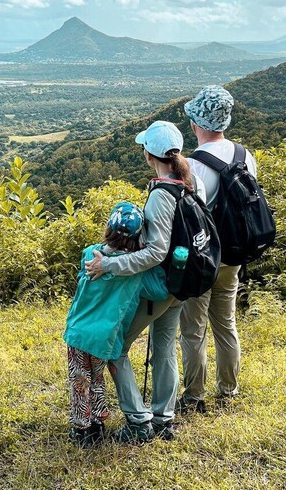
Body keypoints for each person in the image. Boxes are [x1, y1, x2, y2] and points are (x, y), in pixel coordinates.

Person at [85, 120, 205, 444]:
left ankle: (139, 424)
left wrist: (109, 264)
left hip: (161, 287)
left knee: (116, 349)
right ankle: (164, 419)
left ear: (149, 154)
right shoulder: (189, 183)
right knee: (165, 347)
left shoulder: (161, 196)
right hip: (181, 284)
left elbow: (155, 253)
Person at [177, 85, 258, 413]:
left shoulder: (193, 166)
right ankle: (229, 389)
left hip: (204, 259)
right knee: (226, 323)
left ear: (197, 124)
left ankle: (194, 395)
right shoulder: (245, 155)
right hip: (235, 254)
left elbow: (188, 217)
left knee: (193, 329)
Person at [64, 201, 169, 448]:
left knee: (80, 381)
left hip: (79, 332)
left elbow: (83, 275)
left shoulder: (91, 254)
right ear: (137, 239)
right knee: (97, 378)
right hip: (105, 338)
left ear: (108, 229)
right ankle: (97, 425)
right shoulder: (135, 271)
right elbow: (159, 291)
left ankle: (82, 431)